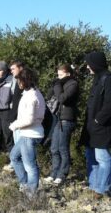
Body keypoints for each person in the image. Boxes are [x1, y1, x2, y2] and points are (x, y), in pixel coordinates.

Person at [9, 68, 45, 196]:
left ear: (25, 80)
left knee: (30, 166)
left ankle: (31, 194)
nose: (18, 83)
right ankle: (25, 185)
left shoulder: (31, 96)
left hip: (30, 134)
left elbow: (29, 119)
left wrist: (14, 125)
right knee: (14, 156)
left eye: (19, 80)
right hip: (27, 134)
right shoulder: (31, 93)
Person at [80, 51, 111, 198]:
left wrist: (99, 120)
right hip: (92, 127)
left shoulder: (108, 79)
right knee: (91, 156)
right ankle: (94, 186)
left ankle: (102, 189)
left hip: (101, 127)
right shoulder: (98, 79)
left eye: (89, 64)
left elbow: (109, 104)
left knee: (103, 158)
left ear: (96, 64)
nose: (87, 67)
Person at [44, 64, 79, 185]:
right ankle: (54, 173)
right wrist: (55, 85)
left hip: (67, 119)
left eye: (61, 75)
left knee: (63, 148)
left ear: (68, 74)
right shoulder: (61, 84)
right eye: (57, 75)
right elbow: (49, 97)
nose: (58, 77)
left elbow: (62, 98)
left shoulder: (73, 84)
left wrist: (57, 85)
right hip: (57, 119)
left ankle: (62, 174)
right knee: (54, 148)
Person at [0, 61, 14, 155]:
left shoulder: (12, 80)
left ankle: (11, 153)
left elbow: (13, 96)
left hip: (7, 110)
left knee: (7, 133)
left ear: (5, 70)